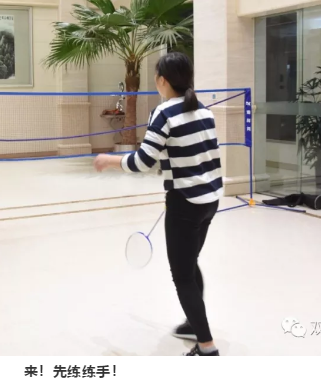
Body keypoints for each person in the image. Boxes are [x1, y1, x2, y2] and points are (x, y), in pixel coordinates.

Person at [93, 52, 223, 356]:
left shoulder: (163, 114)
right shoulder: (204, 111)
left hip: (184, 203)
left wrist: (109, 160)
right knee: (190, 263)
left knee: (182, 276)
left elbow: (143, 162)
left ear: (162, 80)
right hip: (210, 200)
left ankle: (207, 347)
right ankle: (193, 325)